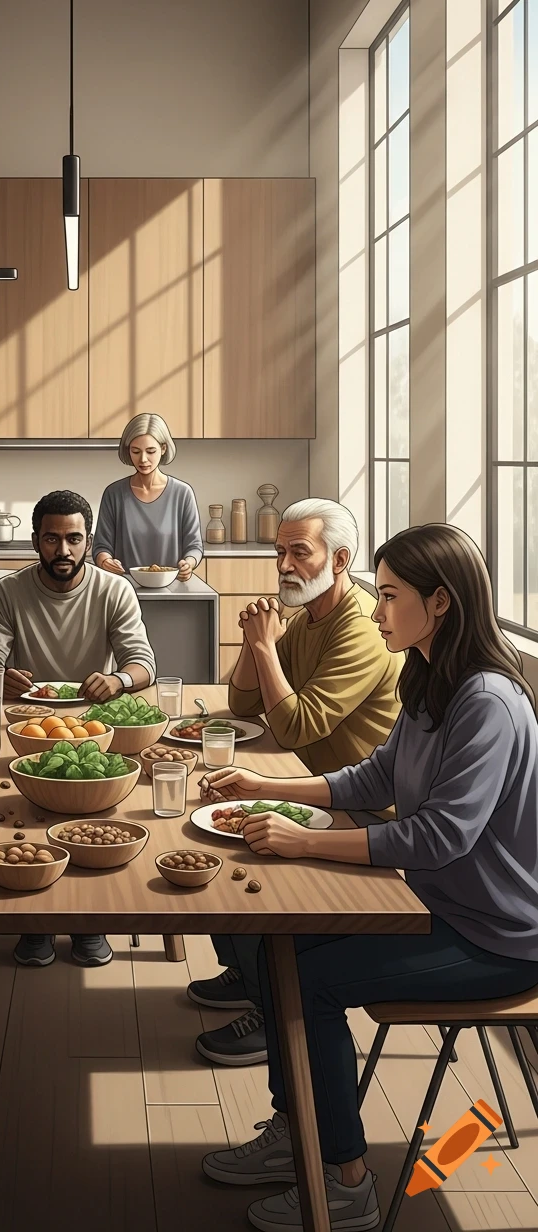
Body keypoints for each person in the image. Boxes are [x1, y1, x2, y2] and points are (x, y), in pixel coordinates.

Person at [197, 523, 538, 1232]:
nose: (376, 609)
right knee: (274, 947)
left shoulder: (489, 703)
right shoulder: (427, 675)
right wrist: (268, 786)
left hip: (496, 937)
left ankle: (346, 1182)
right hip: (435, 904)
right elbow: (375, 776)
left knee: (312, 981)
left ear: (439, 602)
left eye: (389, 595)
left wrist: (300, 844)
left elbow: (441, 837)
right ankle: (299, 1131)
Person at [188, 498, 403, 1068]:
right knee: (213, 829)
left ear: (340, 560)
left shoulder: (361, 627)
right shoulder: (306, 615)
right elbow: (244, 701)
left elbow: (296, 724)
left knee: (245, 857)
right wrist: (251, 641)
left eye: (298, 553)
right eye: (279, 551)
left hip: (364, 808)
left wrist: (263, 645)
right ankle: (250, 970)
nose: (283, 564)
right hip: (311, 782)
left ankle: (272, 1002)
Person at [0, 489, 156, 968]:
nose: (63, 551)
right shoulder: (9, 590)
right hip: (32, 727)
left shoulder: (115, 590)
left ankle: (87, 920)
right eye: (52, 539)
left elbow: (143, 664)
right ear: (35, 541)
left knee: (93, 814)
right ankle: (37, 921)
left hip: (95, 728)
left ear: (89, 541)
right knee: (30, 812)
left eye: (74, 539)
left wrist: (118, 678)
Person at [93, 412, 203, 581]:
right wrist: (105, 561)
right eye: (135, 451)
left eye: (150, 451)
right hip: (124, 588)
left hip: (171, 587)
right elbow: (101, 546)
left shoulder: (182, 493)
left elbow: (194, 546)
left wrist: (189, 563)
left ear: (163, 448)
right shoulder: (114, 494)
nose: (143, 459)